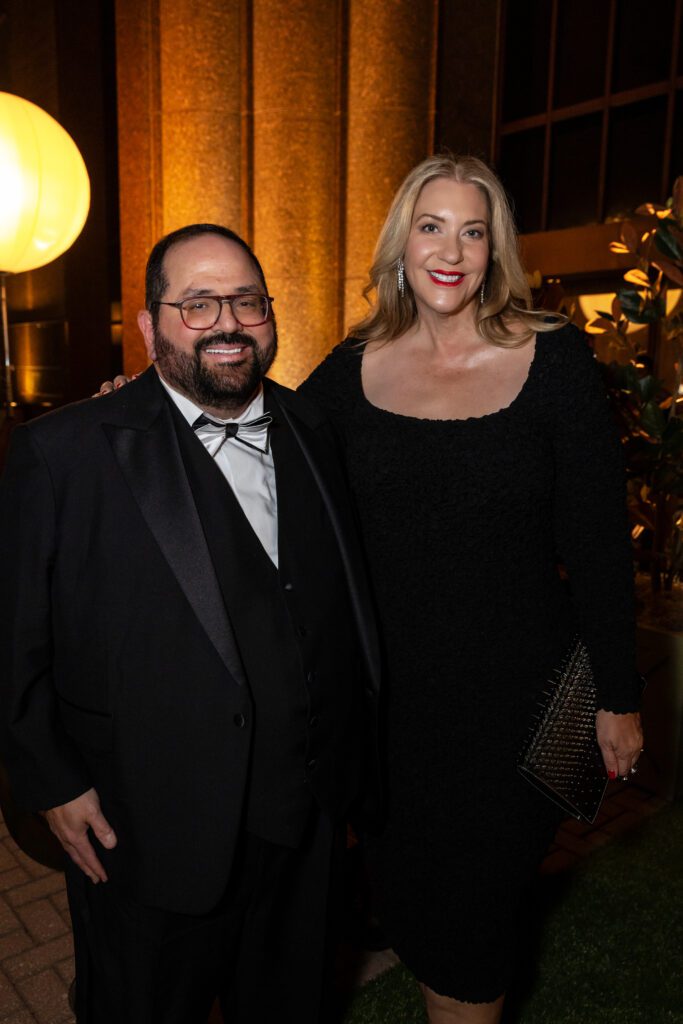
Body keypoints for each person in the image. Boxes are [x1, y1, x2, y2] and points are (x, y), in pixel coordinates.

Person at [0, 224, 381, 1024]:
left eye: (245, 300)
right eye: (197, 304)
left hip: (305, 818)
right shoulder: (62, 454)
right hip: (146, 828)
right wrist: (53, 781)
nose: (227, 322)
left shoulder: (313, 431)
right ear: (149, 326)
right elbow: (13, 636)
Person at [299, 155, 644, 1024]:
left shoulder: (556, 360)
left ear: (495, 250)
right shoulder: (350, 369)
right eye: (430, 225)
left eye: (472, 229)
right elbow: (262, 459)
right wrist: (154, 417)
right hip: (393, 713)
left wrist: (619, 695)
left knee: (472, 916)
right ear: (400, 244)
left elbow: (598, 543)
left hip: (520, 704)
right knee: (416, 905)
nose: (450, 249)